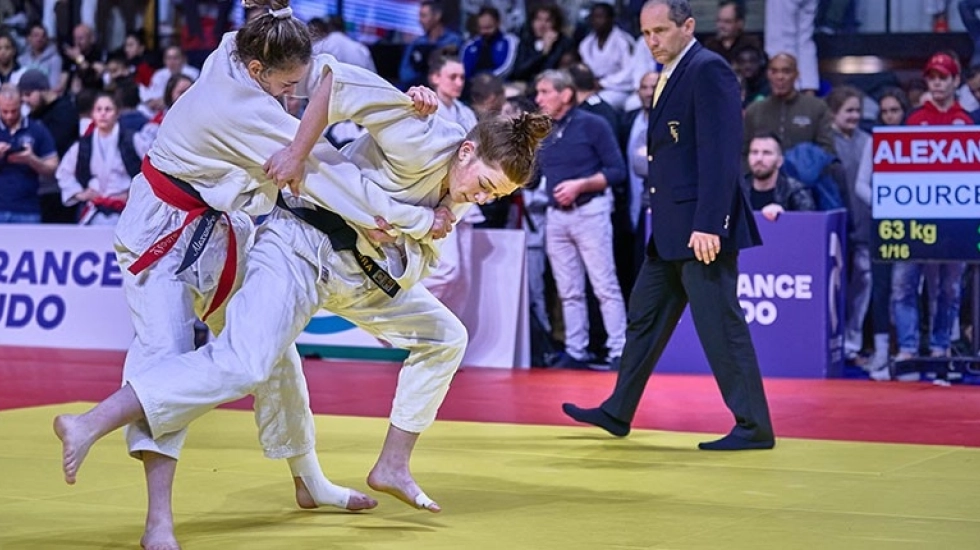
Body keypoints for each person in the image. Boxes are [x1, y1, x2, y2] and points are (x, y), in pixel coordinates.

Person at [54, 18, 550, 528]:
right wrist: (415, 214)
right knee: (219, 360)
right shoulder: (245, 109)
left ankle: (355, 471)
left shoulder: (236, 49)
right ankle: (114, 455)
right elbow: (326, 166)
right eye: (291, 84)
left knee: (419, 341)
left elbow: (265, 36)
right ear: (257, 69)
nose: (297, 94)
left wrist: (416, 232)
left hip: (249, 235)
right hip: (191, 236)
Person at [562, 0, 775, 451]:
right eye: (645, 33)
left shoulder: (708, 69)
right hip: (671, 229)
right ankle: (619, 409)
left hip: (700, 230)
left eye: (660, 30)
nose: (652, 41)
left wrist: (710, 224)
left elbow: (720, 154)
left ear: (688, 26)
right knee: (643, 317)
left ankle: (754, 426)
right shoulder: (673, 71)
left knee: (720, 324)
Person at [55, 92, 137, 225]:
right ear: (92, 114)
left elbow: (151, 171)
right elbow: (63, 172)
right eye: (98, 109)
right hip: (93, 209)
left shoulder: (133, 141)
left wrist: (133, 194)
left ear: (117, 113)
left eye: (108, 109)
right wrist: (79, 193)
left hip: (126, 208)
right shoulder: (82, 145)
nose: (103, 114)